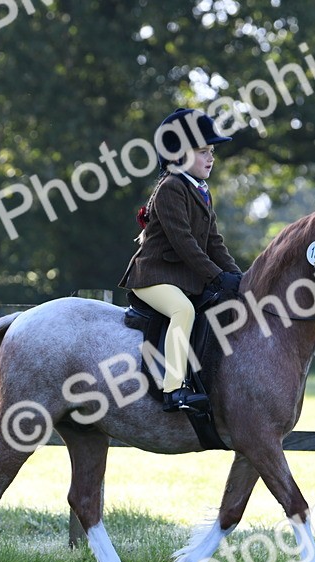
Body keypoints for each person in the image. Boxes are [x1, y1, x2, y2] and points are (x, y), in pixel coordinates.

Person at [119, 108, 243, 412]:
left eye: (211, 151)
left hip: (179, 277)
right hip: (152, 276)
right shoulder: (171, 188)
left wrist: (239, 277)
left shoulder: (200, 190)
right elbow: (186, 244)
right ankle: (173, 389)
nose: (211, 158)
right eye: (203, 152)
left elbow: (214, 241)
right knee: (183, 310)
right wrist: (216, 277)